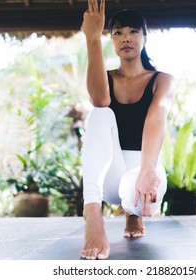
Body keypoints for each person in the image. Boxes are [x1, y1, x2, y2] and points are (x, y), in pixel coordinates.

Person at [80, 0, 174, 260]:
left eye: (133, 31)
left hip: (146, 176)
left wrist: (148, 171)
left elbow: (157, 119)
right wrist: (92, 38)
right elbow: (99, 100)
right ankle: (92, 213)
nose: (125, 38)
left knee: (139, 191)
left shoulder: (162, 80)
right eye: (117, 33)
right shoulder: (107, 78)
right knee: (99, 112)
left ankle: (134, 216)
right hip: (111, 175)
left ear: (145, 36)